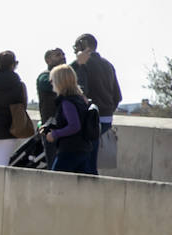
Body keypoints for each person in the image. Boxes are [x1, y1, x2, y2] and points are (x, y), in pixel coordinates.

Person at [74, 33, 122, 173]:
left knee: (87, 161)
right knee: (92, 159)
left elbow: (81, 92)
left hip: (89, 118)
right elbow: (117, 96)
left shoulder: (83, 64)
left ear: (84, 45)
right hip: (106, 118)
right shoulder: (108, 65)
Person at [44, 64, 94, 174]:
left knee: (55, 182)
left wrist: (54, 134)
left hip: (69, 150)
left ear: (59, 81)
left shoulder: (67, 102)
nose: (51, 83)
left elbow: (74, 126)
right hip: (83, 149)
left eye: (52, 80)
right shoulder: (81, 99)